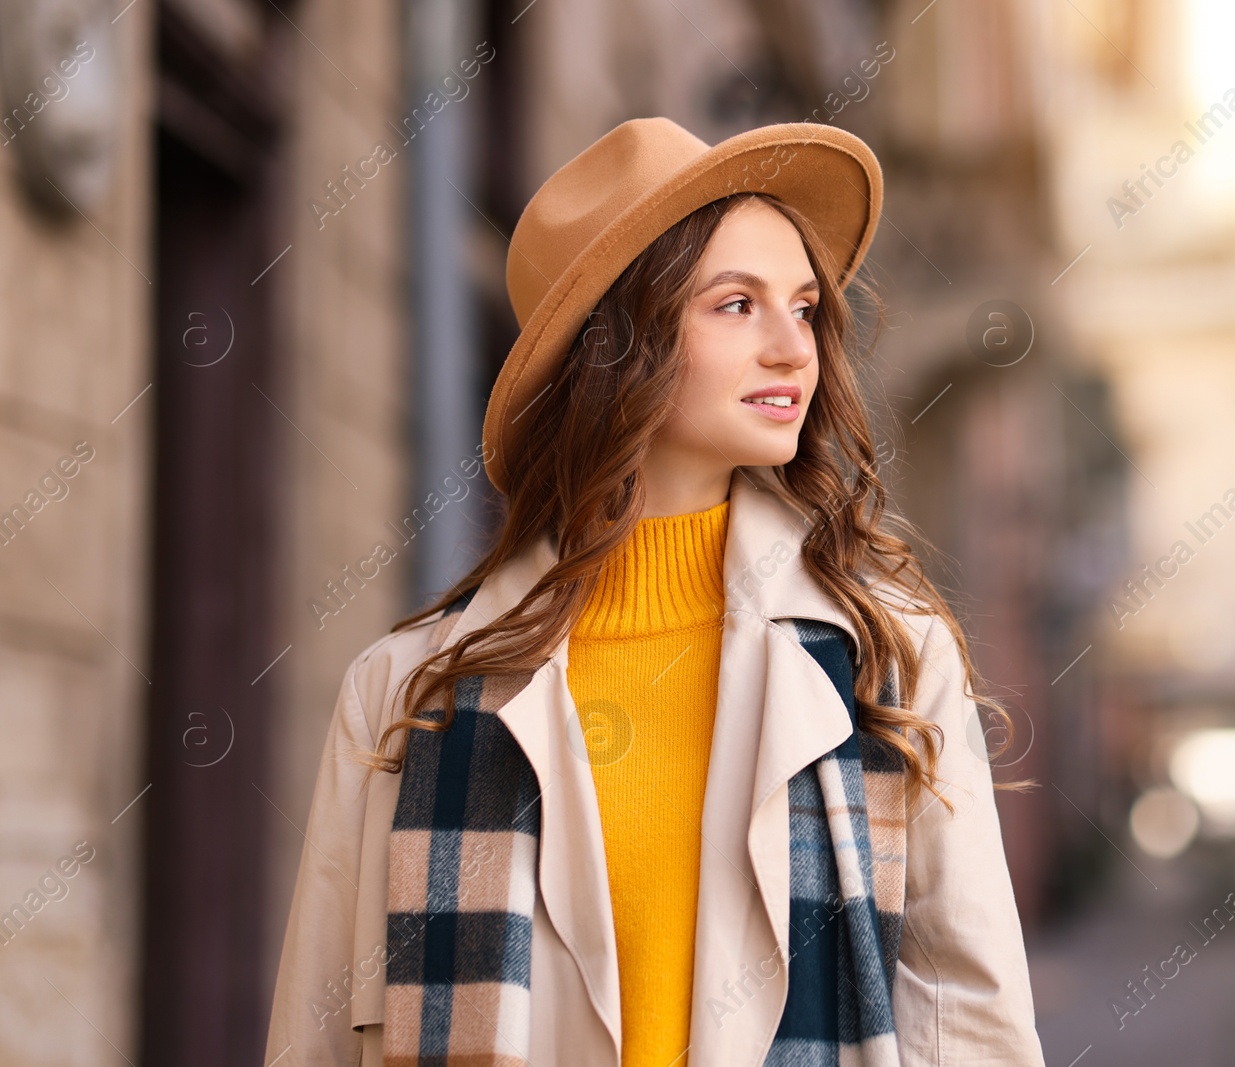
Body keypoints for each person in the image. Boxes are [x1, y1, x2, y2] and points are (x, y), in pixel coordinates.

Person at [263, 116, 1045, 1067]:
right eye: (735, 305)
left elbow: (971, 1022)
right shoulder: (407, 696)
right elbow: (317, 1039)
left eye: (802, 307)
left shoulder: (889, 659)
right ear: (616, 345)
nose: (794, 350)